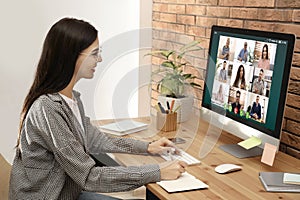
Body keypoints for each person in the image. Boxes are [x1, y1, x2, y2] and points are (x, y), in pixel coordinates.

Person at [9, 18, 187, 200]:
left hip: (68, 194)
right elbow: (89, 177)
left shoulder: (71, 99)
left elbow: (97, 140)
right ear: (71, 56)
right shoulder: (47, 108)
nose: (99, 59)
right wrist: (157, 172)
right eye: (94, 53)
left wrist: (148, 147)